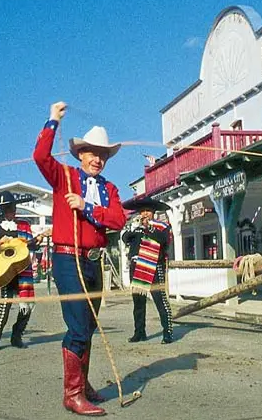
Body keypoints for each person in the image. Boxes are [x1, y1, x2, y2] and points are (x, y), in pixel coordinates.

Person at [34, 101, 126, 417]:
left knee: (86, 326)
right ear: (81, 153)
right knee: (76, 326)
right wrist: (52, 121)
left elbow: (118, 220)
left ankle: (83, 386)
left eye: (103, 154)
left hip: (94, 261)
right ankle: (72, 394)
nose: (97, 158)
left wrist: (87, 207)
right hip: (67, 259)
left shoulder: (110, 188)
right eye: (92, 152)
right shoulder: (64, 176)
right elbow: (40, 157)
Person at [0, 190, 48, 350]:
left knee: (27, 305)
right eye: (8, 208)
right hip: (4, 269)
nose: (12, 212)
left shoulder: (24, 224)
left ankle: (17, 336)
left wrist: (38, 240)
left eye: (13, 208)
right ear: (3, 209)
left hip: (23, 270)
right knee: (6, 303)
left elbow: (29, 246)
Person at [121, 198, 174, 344]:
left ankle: (167, 332)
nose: (145, 214)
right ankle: (139, 332)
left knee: (160, 300)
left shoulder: (162, 227)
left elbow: (163, 240)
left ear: (153, 213)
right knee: (138, 302)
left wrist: (149, 228)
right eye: (143, 211)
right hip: (136, 267)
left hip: (154, 267)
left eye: (148, 211)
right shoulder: (135, 227)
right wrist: (135, 228)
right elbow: (126, 238)